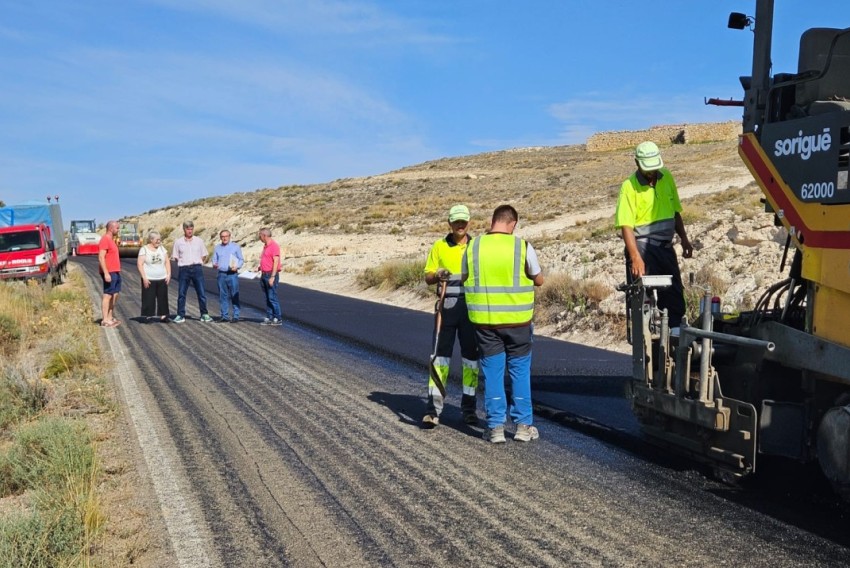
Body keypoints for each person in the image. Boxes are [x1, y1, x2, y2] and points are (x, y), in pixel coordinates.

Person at [462, 204, 544, 443]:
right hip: (518, 322)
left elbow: (465, 276)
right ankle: (523, 426)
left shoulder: (473, 246)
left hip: (486, 322)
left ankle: (495, 428)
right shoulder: (522, 246)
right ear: (513, 223)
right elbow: (538, 279)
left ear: (493, 221)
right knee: (519, 372)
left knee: (493, 373)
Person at [615, 141, 694, 328]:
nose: (652, 174)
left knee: (674, 298)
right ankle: (646, 344)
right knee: (643, 301)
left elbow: (675, 212)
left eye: (654, 168)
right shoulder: (629, 186)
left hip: (666, 247)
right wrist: (635, 257)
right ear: (637, 163)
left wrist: (684, 239)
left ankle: (674, 338)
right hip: (642, 248)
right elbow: (626, 226)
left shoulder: (666, 176)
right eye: (647, 169)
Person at [422, 204, 479, 428]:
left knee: (471, 362)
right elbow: (427, 276)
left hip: (471, 310)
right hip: (446, 310)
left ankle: (469, 410)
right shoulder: (439, 246)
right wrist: (437, 274)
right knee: (440, 358)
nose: (460, 225)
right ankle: (433, 410)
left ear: (469, 222)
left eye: (463, 221)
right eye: (456, 221)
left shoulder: (476, 247)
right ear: (449, 223)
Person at [171, 220, 212, 323]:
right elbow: (175, 257)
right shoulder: (178, 242)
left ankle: (204, 314)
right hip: (184, 269)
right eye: (187, 229)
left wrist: (198, 262)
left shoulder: (199, 241)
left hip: (197, 268)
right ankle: (180, 315)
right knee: (181, 293)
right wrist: (185, 262)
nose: (189, 231)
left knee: (201, 292)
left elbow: (204, 254)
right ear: (184, 229)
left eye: (191, 229)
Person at [137, 231, 171, 322]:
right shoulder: (144, 249)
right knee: (148, 297)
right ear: (151, 240)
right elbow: (140, 264)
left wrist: (168, 274)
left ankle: (164, 316)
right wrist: (144, 278)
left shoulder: (162, 249)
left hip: (162, 278)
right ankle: (148, 316)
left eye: (160, 239)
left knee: (163, 297)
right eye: (157, 240)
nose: (159, 241)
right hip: (149, 278)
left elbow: (167, 261)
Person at [212, 229, 244, 322]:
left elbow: (241, 259)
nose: (224, 238)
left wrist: (237, 266)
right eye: (222, 236)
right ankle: (224, 316)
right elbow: (214, 260)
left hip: (232, 274)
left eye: (226, 236)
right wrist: (214, 264)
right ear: (220, 237)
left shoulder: (236, 247)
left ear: (230, 237)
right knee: (223, 296)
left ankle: (236, 316)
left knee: (234, 294)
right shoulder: (217, 247)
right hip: (221, 274)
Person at [98, 220, 122, 328]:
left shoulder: (112, 240)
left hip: (115, 271)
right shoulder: (105, 239)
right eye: (117, 228)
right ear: (111, 228)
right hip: (109, 272)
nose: (118, 230)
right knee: (107, 295)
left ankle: (110, 316)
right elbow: (101, 257)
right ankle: (105, 320)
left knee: (115, 294)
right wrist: (106, 273)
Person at [257, 228, 282, 325]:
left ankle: (278, 318)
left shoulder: (274, 246)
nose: (259, 237)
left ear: (264, 235)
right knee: (267, 297)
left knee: (272, 297)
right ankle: (269, 316)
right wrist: (260, 267)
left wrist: (272, 277)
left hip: (270, 274)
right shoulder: (265, 246)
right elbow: (266, 259)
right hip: (264, 274)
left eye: (260, 235)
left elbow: (276, 261)